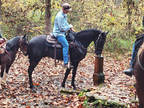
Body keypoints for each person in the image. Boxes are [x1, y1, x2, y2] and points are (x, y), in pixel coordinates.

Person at [52, 3, 74, 68]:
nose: (68, 12)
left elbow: (65, 23)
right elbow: (61, 28)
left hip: (64, 32)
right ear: (63, 9)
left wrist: (69, 27)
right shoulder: (59, 16)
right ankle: (65, 63)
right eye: (67, 10)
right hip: (58, 33)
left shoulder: (64, 15)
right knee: (66, 45)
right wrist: (69, 26)